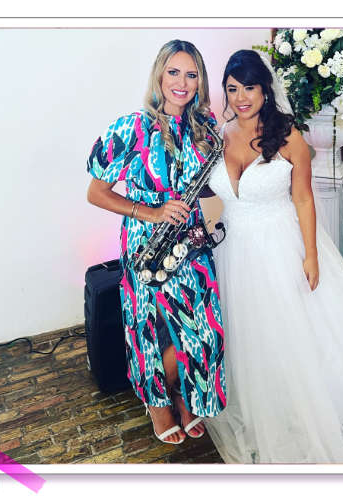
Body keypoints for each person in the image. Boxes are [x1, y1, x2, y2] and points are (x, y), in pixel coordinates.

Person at [204, 49, 343, 464]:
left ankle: (315, 396)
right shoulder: (217, 135)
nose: (241, 97)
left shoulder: (287, 134)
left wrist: (311, 255)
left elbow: (305, 199)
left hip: (280, 243)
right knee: (252, 329)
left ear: (265, 89)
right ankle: (266, 396)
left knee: (299, 327)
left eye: (249, 88)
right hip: (235, 250)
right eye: (232, 89)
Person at [86, 40, 226, 445]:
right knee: (149, 330)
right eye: (174, 72)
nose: (182, 83)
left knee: (203, 333)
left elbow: (210, 186)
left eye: (192, 74)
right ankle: (158, 404)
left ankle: (184, 394)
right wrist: (152, 212)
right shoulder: (130, 126)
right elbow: (96, 193)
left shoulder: (206, 126)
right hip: (146, 243)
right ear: (159, 76)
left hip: (191, 244)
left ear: (200, 81)